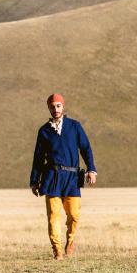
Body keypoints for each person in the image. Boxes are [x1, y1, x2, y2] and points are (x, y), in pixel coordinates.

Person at [30, 93, 97, 260]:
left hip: (72, 178)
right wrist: (34, 181)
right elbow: (38, 158)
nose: (55, 109)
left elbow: (86, 149)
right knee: (53, 216)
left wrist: (91, 169)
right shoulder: (44, 131)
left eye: (58, 106)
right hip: (51, 178)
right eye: (52, 106)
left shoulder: (74, 126)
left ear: (63, 107)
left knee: (74, 215)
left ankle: (71, 240)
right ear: (49, 108)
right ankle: (57, 250)